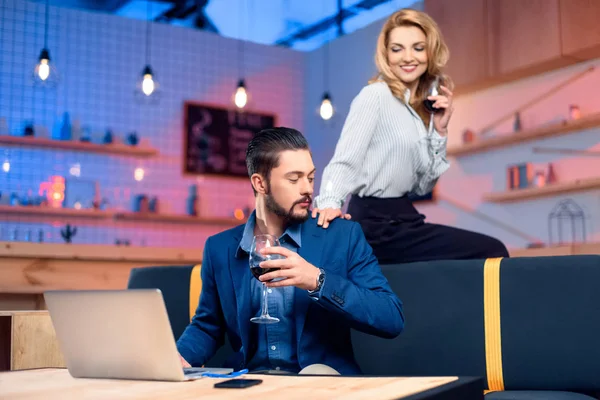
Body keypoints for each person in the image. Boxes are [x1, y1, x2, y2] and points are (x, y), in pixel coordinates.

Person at [176, 127, 404, 375]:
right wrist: (177, 359)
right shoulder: (219, 248)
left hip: (320, 384)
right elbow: (208, 326)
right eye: (294, 179)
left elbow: (390, 317)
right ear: (260, 183)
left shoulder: (342, 235)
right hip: (250, 385)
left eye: (310, 177)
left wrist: (318, 281)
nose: (307, 189)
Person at [312, 8, 509, 264]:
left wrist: (439, 130)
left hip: (404, 218)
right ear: (386, 55)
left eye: (417, 47)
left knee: (488, 251)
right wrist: (329, 203)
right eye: (397, 49)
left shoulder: (417, 111)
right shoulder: (375, 96)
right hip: (376, 226)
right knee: (492, 249)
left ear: (430, 52)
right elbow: (345, 160)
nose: (408, 57)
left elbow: (423, 186)